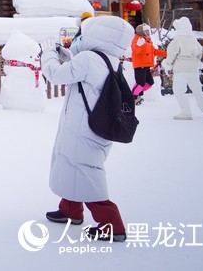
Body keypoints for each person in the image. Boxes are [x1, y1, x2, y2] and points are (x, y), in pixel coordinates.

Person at [40, 15, 134, 242]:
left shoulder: (90, 59)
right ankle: (70, 210)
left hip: (82, 128)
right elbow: (81, 70)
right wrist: (69, 55)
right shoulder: (109, 58)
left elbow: (56, 75)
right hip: (93, 126)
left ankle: (112, 226)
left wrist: (49, 54)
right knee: (73, 165)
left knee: (84, 171)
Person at [161, 17, 203, 120]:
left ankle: (186, 112)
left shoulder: (177, 40)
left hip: (180, 69)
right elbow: (199, 53)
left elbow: (171, 55)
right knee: (197, 91)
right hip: (193, 69)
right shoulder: (193, 39)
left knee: (179, 91)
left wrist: (168, 64)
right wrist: (196, 62)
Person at [130, 23, 167, 104]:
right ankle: (133, 97)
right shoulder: (137, 39)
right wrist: (138, 45)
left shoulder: (147, 40)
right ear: (141, 31)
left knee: (149, 83)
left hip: (146, 65)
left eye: (148, 31)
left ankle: (136, 94)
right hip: (140, 65)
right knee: (140, 83)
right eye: (145, 31)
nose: (147, 32)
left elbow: (154, 51)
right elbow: (135, 50)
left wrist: (167, 54)